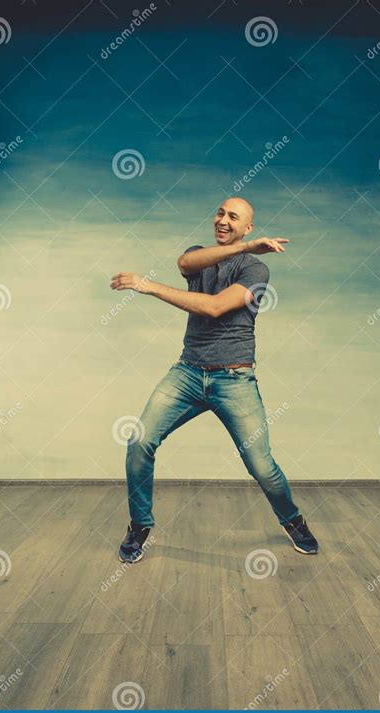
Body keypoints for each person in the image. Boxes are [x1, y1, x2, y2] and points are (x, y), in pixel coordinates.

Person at [110, 197, 319, 563]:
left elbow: (215, 306)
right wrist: (241, 245)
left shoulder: (256, 271)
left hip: (234, 380)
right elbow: (185, 262)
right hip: (187, 374)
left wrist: (149, 286)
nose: (222, 220)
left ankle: (293, 520)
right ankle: (139, 526)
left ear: (248, 228)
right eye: (220, 213)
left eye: (233, 217)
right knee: (139, 441)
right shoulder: (200, 257)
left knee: (260, 465)